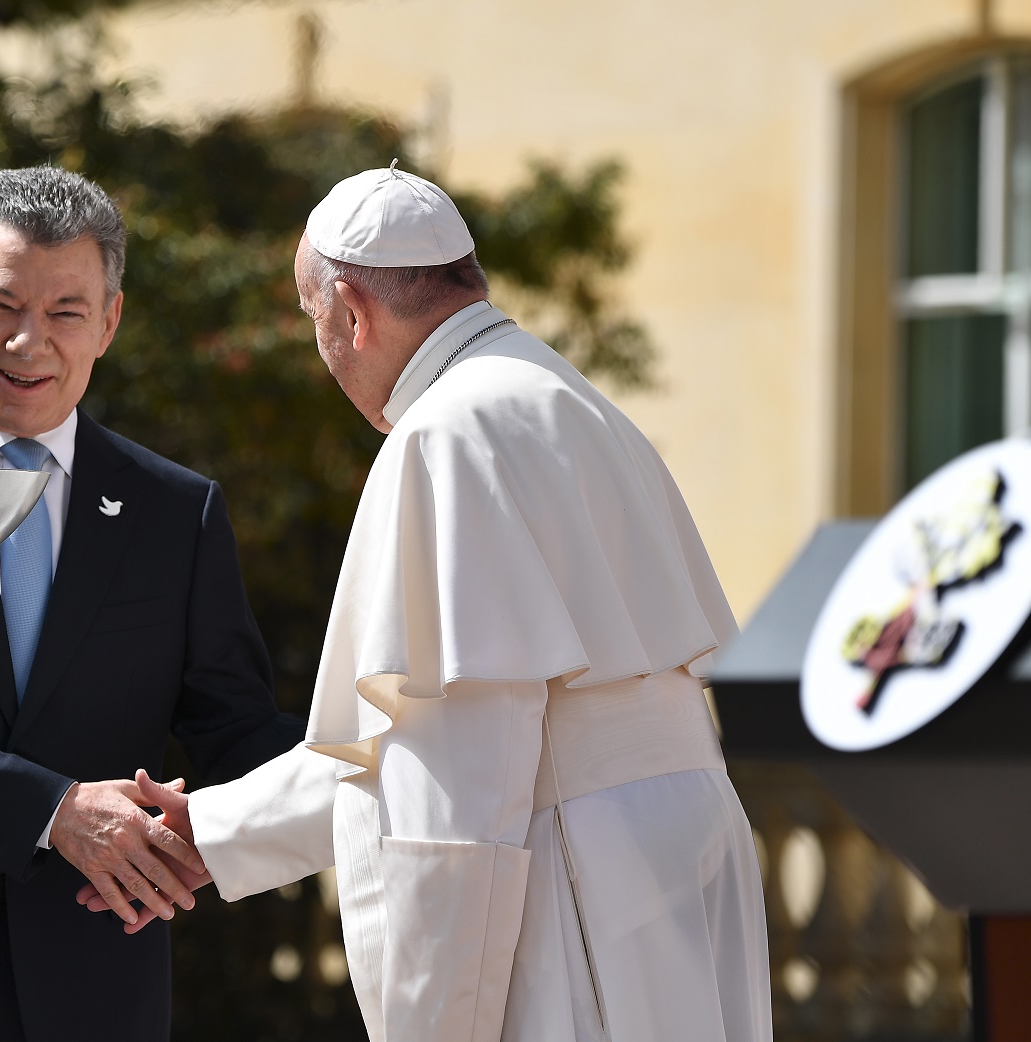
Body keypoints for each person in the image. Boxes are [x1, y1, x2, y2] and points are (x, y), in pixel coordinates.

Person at [84, 165, 773, 1042]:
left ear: (350, 310)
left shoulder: (445, 433)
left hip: (580, 888)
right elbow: (406, 733)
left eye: (313, 323)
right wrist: (212, 829)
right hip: (678, 863)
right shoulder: (571, 398)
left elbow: (456, 798)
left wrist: (432, 1023)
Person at [0, 165, 302, 1042]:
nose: (28, 344)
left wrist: (253, 815)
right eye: (2, 306)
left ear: (111, 322)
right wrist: (52, 811)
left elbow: (233, 730)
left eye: (65, 314)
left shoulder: (176, 513)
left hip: (98, 973)